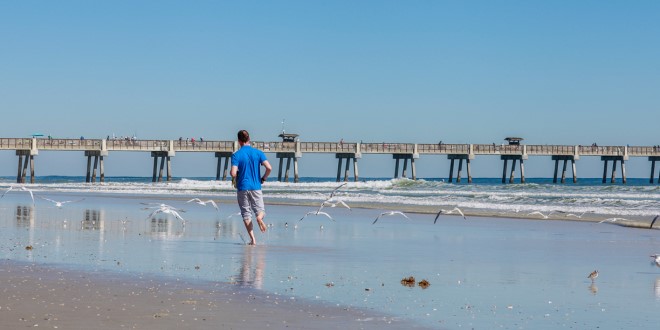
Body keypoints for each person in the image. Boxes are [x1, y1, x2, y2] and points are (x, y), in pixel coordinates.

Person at [231, 130, 272, 245]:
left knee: (246, 213)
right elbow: (269, 168)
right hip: (256, 186)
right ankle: (259, 218)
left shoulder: (236, 155)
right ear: (249, 139)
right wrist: (263, 178)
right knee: (261, 211)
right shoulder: (258, 153)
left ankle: (253, 239)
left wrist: (234, 173)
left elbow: (233, 173)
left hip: (242, 187)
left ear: (239, 141)